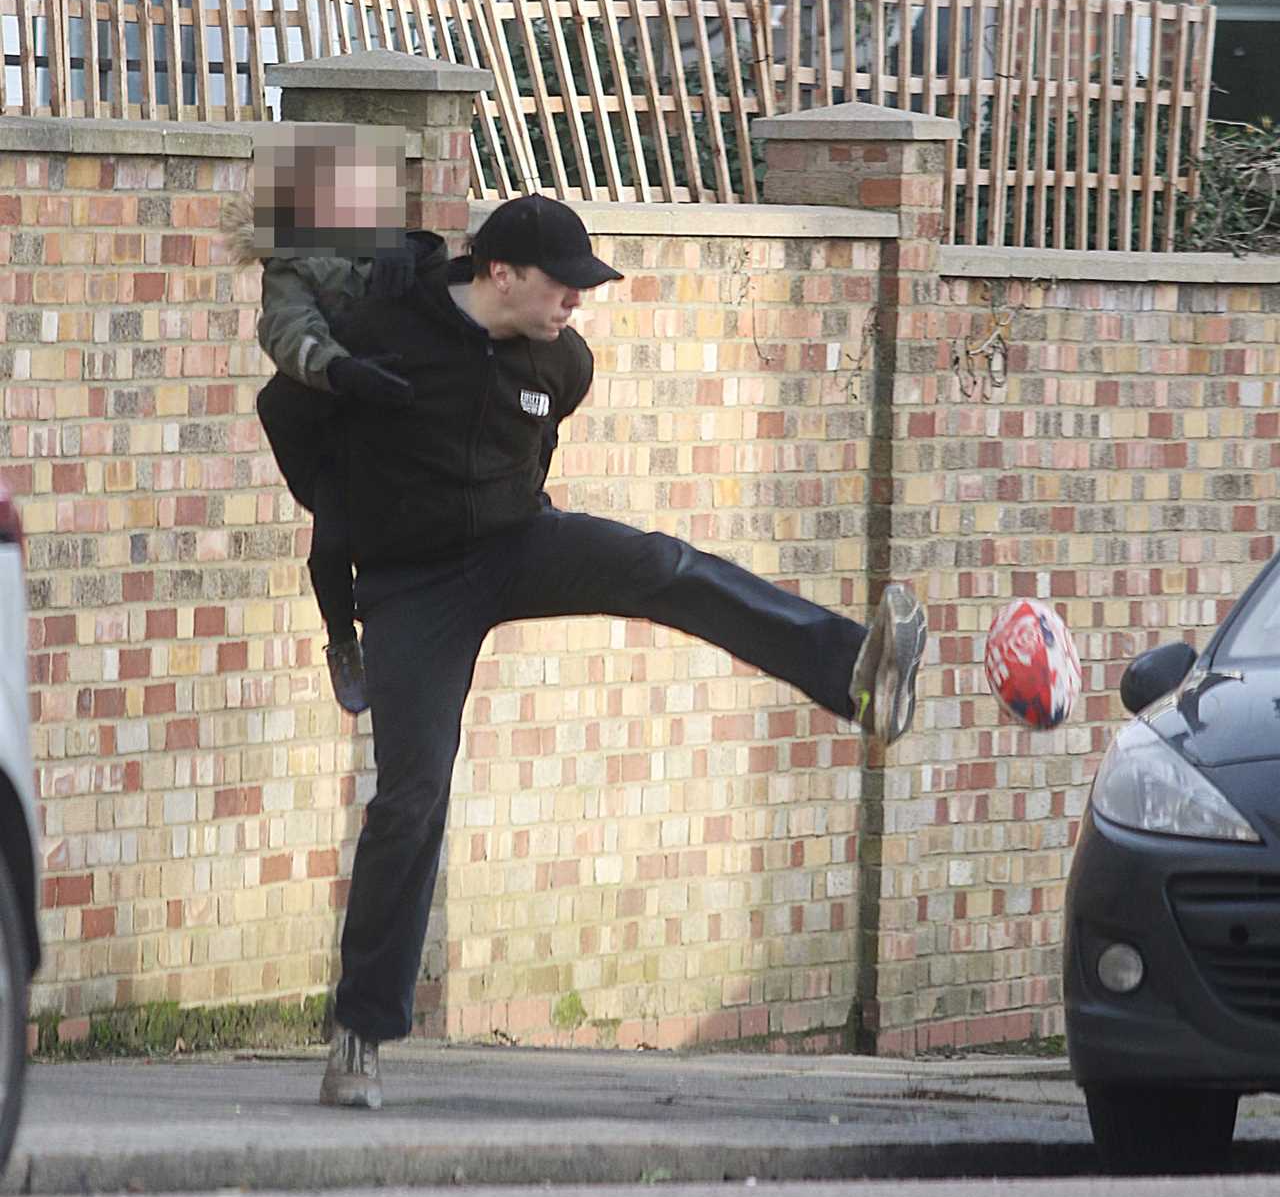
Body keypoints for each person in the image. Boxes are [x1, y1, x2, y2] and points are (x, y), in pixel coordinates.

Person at [317, 194, 929, 1109]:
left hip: (516, 543)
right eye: (563, 285)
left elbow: (538, 443)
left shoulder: (562, 362)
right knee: (413, 793)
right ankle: (360, 1032)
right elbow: (294, 416)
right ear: (501, 273)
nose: (575, 302)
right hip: (411, 585)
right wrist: (344, 580)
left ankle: (854, 675)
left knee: (663, 566)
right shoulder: (386, 329)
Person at [224, 135, 418, 714]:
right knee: (331, 545)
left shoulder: (396, 248)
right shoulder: (291, 266)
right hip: (335, 414)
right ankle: (342, 641)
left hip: (402, 405)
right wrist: (339, 370)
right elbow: (288, 330)